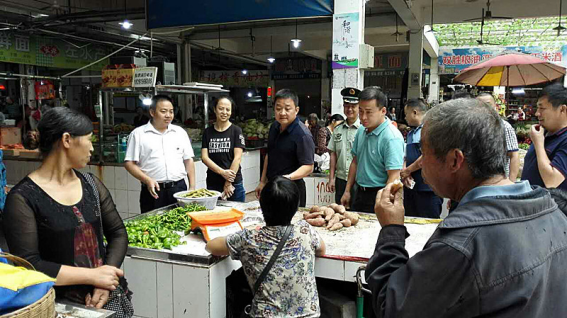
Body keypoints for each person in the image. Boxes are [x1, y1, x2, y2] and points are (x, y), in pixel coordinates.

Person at [367, 98, 567, 317]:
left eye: (425, 153)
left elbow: (394, 308)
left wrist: (391, 231)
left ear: (454, 160)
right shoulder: (553, 212)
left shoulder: (461, 245)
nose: (420, 163)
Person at [2, 107, 130, 311]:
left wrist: (105, 280)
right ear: (67, 140)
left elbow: (118, 234)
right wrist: (94, 276)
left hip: (105, 297)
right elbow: (29, 265)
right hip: (58, 306)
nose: (91, 149)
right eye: (89, 140)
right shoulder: (22, 198)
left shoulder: (91, 184)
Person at [207, 176, 325, 317]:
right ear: (295, 208)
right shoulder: (305, 231)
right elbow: (322, 249)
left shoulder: (249, 238)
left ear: (262, 206)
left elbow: (211, 246)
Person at [124, 95, 196, 213]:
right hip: (153, 190)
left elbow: (188, 160)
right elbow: (129, 163)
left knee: (182, 225)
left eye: (171, 112)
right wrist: (147, 180)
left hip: (179, 188)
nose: (168, 115)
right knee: (153, 227)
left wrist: (192, 187)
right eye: (163, 111)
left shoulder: (180, 132)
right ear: (152, 112)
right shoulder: (138, 134)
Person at [340, 87, 404, 213]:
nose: (363, 117)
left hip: (380, 193)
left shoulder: (391, 137)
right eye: (361, 111)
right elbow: (355, 161)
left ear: (383, 111)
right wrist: (347, 190)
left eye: (369, 112)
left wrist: (383, 203)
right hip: (359, 192)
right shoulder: (361, 131)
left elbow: (394, 176)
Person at [255, 89, 315, 207]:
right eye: (278, 108)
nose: (282, 113)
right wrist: (262, 181)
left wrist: (286, 178)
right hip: (272, 186)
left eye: (287, 109)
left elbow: (308, 167)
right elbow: (269, 155)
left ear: (296, 110)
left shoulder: (303, 134)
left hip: (292, 189)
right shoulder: (274, 127)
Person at [400, 98, 443, 218]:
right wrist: (405, 173)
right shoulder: (410, 134)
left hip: (428, 188)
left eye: (406, 114)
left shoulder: (431, 130)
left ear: (414, 112)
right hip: (412, 187)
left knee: (429, 223)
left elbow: (427, 156)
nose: (405, 118)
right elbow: (406, 156)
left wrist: (408, 170)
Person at [521, 83, 567, 190]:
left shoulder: (563, 139)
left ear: (562, 109)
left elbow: (552, 181)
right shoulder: (542, 133)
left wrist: (538, 144)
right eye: (537, 108)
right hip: (529, 202)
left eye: (542, 108)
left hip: (550, 205)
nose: (537, 113)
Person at [201, 96, 246, 202]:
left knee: (236, 214)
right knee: (215, 215)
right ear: (215, 109)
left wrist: (228, 182)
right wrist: (222, 172)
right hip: (213, 183)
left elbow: (237, 158)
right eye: (221, 108)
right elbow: (204, 158)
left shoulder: (236, 131)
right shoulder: (207, 132)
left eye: (228, 109)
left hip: (234, 183)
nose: (224, 112)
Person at [327, 87, 361, 205]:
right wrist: (331, 178)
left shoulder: (364, 129)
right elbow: (333, 154)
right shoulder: (338, 129)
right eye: (346, 105)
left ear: (359, 107)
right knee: (340, 212)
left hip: (359, 180)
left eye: (353, 106)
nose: (349, 109)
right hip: (341, 180)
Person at [477, 93, 520, 181]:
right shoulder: (473, 127)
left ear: (495, 106)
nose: (484, 109)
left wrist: (511, 183)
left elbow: (514, 156)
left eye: (488, 105)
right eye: (480, 106)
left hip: (500, 182)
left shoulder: (504, 127)